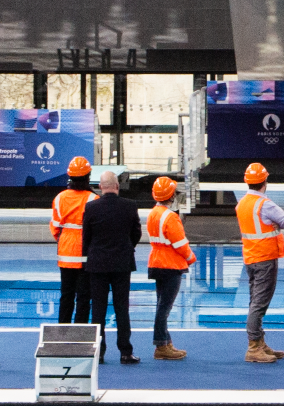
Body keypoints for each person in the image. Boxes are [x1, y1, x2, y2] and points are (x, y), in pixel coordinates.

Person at [81, 170, 141, 364]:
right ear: (117, 186)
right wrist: (126, 247)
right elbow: (136, 234)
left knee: (97, 310)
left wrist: (94, 253)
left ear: (100, 187)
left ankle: (99, 352)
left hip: (97, 264)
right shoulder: (130, 206)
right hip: (122, 263)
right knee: (121, 308)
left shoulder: (91, 207)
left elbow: (86, 237)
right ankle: (125, 351)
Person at [235, 162, 284, 363]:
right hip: (265, 258)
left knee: (255, 301)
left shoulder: (242, 203)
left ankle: (259, 343)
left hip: (250, 258)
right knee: (259, 304)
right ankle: (253, 347)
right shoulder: (265, 204)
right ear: (264, 181)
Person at [146, 176, 196, 361]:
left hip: (157, 263)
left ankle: (166, 342)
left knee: (161, 304)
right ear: (171, 195)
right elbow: (180, 243)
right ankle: (161, 345)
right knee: (164, 308)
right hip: (171, 265)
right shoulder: (171, 217)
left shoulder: (153, 213)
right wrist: (191, 258)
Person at [50, 156, 98, 325]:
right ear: (88, 176)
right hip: (85, 255)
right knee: (84, 297)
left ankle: (62, 330)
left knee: (66, 295)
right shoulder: (93, 199)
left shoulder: (60, 198)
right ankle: (80, 333)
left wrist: (64, 240)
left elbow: (55, 228)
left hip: (65, 253)